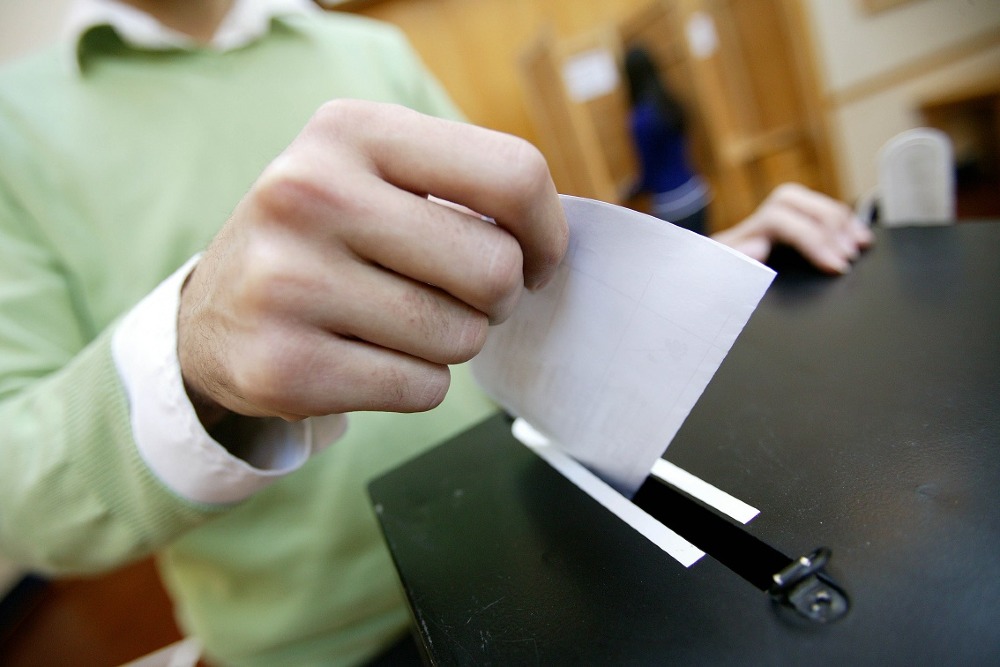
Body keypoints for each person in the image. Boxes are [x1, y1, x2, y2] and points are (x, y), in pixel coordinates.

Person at [0, 1, 871, 665]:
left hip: (540, 554)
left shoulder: (372, 51)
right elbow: (19, 497)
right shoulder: (16, 126)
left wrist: (689, 276)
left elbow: (509, 273)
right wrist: (192, 352)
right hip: (321, 647)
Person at [624, 45, 710, 235]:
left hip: (672, 207)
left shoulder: (639, 119)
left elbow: (649, 174)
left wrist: (630, 191)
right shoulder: (671, 103)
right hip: (696, 194)